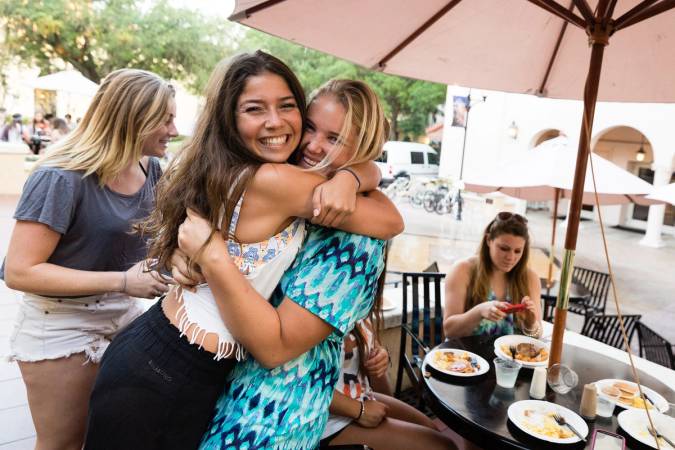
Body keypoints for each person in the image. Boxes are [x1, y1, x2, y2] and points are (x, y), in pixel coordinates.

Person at [85, 52, 402, 450]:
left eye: (287, 107)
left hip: (183, 365)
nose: (278, 123)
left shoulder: (244, 167)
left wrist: (356, 174)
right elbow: (390, 220)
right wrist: (355, 174)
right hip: (162, 370)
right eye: (255, 109)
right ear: (230, 119)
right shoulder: (274, 180)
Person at [2, 68, 177, 450]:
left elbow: (147, 243)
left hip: (121, 314)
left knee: (109, 432)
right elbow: (19, 271)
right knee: (64, 442)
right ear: (135, 118)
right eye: (166, 119)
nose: (174, 130)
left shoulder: (152, 169)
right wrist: (123, 282)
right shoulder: (60, 176)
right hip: (61, 323)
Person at [319, 292, 457, 449]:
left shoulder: (360, 299)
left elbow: (373, 344)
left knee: (432, 429)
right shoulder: (318, 310)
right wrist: (360, 410)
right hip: (328, 421)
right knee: (444, 446)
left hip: (362, 398)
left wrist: (381, 355)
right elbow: (303, 388)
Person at [443, 212, 542, 338]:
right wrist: (479, 312)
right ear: (488, 240)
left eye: (518, 251)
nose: (511, 257)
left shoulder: (530, 278)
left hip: (511, 356)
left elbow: (538, 334)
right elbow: (449, 331)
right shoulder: (462, 270)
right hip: (467, 355)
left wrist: (531, 324)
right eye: (504, 248)